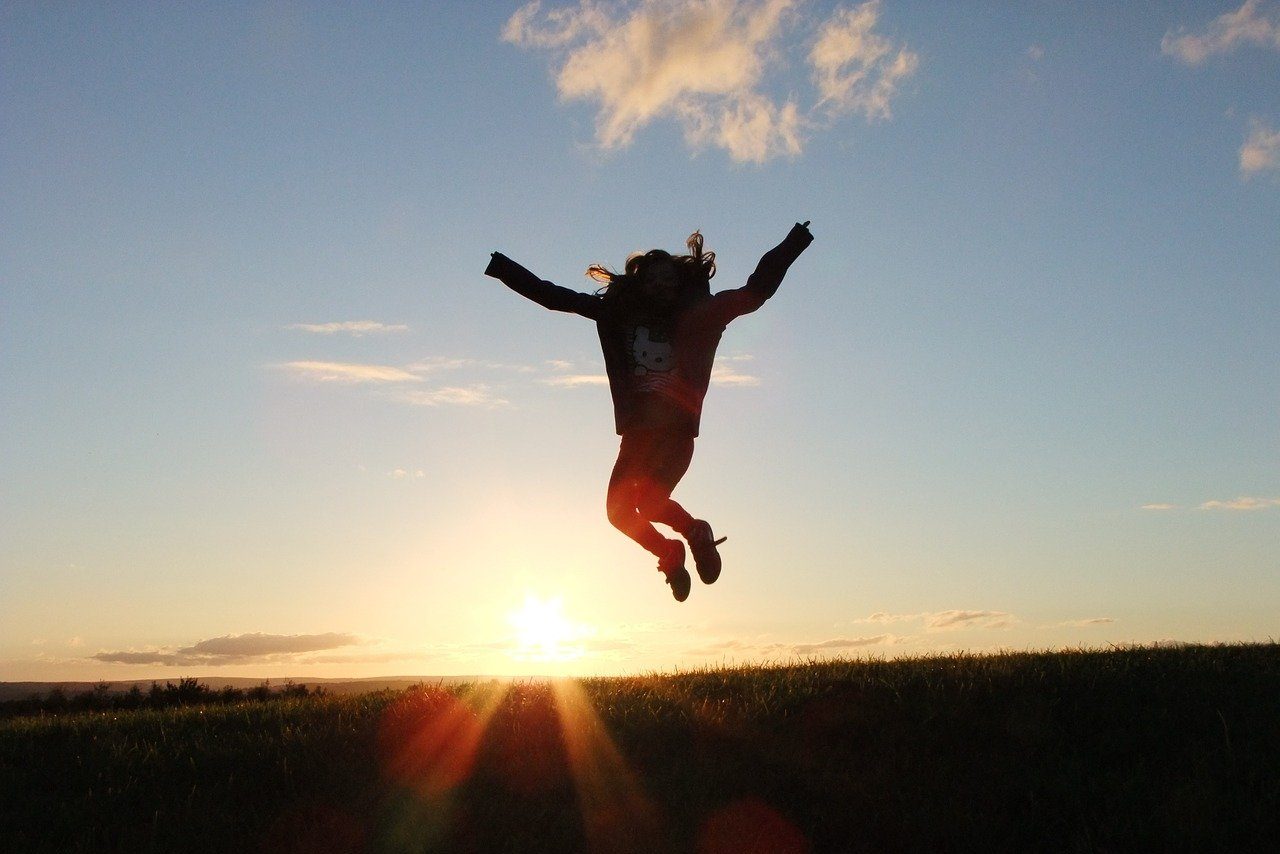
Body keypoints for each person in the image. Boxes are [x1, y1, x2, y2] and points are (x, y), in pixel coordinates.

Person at [484, 221, 814, 601]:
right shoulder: (617, 315)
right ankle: (671, 550)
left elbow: (754, 293)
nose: (660, 284)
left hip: (676, 435)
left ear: (680, 283)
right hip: (637, 439)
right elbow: (555, 296)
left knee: (651, 504)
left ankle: (695, 533)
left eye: (668, 278)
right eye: (651, 278)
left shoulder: (702, 316)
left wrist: (793, 242)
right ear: (639, 285)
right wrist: (503, 268)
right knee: (620, 512)